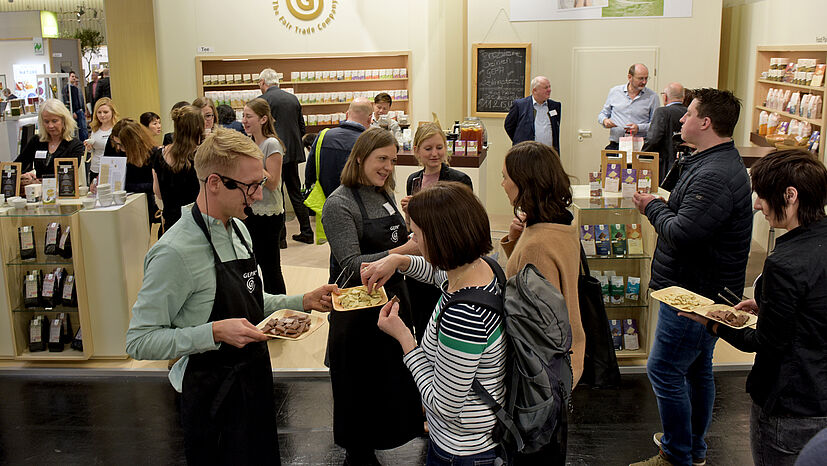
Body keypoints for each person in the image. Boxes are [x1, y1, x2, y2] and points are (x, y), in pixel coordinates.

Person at [126, 127, 336, 465]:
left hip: (253, 380)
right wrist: (213, 332)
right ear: (213, 183)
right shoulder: (174, 252)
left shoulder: (238, 227)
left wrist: (302, 300)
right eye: (250, 186)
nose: (257, 194)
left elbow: (251, 302)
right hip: (209, 395)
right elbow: (140, 340)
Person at [677, 149, 827, 466]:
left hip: (789, 406)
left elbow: (765, 344)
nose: (757, 205)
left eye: (761, 195)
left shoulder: (784, 263)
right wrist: (769, 305)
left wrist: (713, 322)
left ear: (790, 195)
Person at [630, 88, 753, 466]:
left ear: (706, 122)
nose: (680, 119)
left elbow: (683, 233)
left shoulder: (714, 173)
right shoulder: (711, 162)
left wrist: (652, 207)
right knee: (698, 370)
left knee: (664, 370)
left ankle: (676, 454)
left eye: (688, 114)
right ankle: (692, 449)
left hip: (692, 295)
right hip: (702, 288)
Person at [363, 182, 506, 466]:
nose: (411, 239)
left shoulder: (464, 316)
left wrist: (405, 339)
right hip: (480, 435)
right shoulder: (483, 269)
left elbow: (443, 405)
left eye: (415, 235)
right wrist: (399, 260)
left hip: (461, 450)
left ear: (440, 238)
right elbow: (439, 275)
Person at [321, 127, 423, 464]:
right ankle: (359, 451)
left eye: (393, 160)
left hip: (392, 302)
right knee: (359, 386)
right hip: (358, 312)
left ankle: (388, 434)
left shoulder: (383, 194)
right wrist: (405, 250)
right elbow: (350, 265)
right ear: (360, 157)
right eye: (382, 159)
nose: (388, 167)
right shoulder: (339, 203)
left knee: (389, 378)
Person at [499, 141, 582, 464]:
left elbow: (536, 326)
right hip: (567, 360)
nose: (503, 183)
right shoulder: (562, 222)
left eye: (506, 177)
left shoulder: (537, 243)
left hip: (539, 376)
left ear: (524, 183)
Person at [400, 122, 474, 343]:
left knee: (444, 314)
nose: (435, 154)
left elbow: (464, 222)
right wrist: (409, 211)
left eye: (439, 147)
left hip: (447, 259)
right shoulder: (413, 180)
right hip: (419, 256)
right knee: (420, 315)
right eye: (428, 148)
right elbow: (412, 225)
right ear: (417, 151)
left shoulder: (459, 180)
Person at [257, 67, 314, 245]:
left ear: (262, 83)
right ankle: (306, 231)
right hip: (292, 151)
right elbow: (301, 127)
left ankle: (280, 238)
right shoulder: (292, 98)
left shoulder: (261, 102)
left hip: (272, 152)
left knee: (276, 191)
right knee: (295, 190)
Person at [241, 98, 286, 295]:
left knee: (270, 269)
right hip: (250, 211)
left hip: (269, 215)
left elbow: (273, 182)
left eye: (248, 116)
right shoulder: (250, 143)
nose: (244, 120)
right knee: (251, 266)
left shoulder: (271, 144)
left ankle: (282, 310)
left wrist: (252, 161)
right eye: (243, 116)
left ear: (263, 119)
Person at [305, 97, 372, 197]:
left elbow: (310, 171)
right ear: (370, 119)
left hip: (325, 201)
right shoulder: (369, 142)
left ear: (347, 114)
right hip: (356, 203)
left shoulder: (323, 136)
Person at [153, 105, 202, 233]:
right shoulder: (201, 156)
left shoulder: (159, 154)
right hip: (197, 222)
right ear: (197, 128)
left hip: (171, 222)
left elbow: (157, 192)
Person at [15, 98, 84, 183]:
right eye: (46, 122)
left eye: (54, 121)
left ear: (64, 121)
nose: (50, 126)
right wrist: (23, 175)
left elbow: (67, 176)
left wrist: (40, 182)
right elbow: (16, 167)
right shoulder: (36, 141)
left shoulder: (75, 145)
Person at [598, 63, 660, 150]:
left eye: (646, 78)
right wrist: (605, 121)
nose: (644, 82)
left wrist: (639, 128)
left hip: (639, 146)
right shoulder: (615, 92)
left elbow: (655, 125)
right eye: (640, 78)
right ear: (630, 77)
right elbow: (602, 114)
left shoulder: (652, 97)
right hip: (616, 145)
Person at [114, 120, 159, 224]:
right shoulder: (122, 154)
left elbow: (156, 186)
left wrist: (127, 186)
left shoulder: (154, 155)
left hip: (149, 207)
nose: (118, 148)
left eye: (121, 145)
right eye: (117, 144)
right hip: (129, 207)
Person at [642, 83, 687, 184]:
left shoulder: (662, 112)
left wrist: (641, 155)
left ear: (665, 97)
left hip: (663, 166)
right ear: (683, 98)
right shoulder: (689, 112)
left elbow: (653, 139)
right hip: (684, 166)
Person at [504, 76, 561, 153]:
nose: (549, 90)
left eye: (549, 87)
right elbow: (509, 126)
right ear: (534, 90)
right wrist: (519, 141)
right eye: (546, 88)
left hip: (549, 154)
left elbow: (555, 128)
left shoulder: (555, 106)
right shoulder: (520, 105)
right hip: (526, 154)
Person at [84, 97, 119, 182]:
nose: (102, 115)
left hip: (112, 169)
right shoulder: (95, 129)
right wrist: (89, 148)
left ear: (112, 112)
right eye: (99, 112)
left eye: (105, 112)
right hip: (95, 168)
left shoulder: (117, 129)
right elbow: (93, 151)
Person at [62, 71, 88, 142]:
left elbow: (80, 100)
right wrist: (72, 111)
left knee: (83, 128)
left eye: (74, 76)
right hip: (74, 112)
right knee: (77, 129)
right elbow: (66, 101)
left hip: (80, 111)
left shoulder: (76, 89)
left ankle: (85, 143)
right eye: (72, 76)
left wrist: (83, 110)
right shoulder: (66, 89)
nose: (74, 78)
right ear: (68, 77)